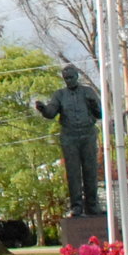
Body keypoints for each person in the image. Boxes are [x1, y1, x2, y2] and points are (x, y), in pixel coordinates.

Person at [32, 64, 105, 217]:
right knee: (73, 172)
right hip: (69, 137)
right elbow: (51, 113)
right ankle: (76, 207)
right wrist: (43, 109)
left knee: (90, 171)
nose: (69, 81)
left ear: (77, 76)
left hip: (88, 135)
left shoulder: (87, 91)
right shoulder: (60, 95)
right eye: (66, 79)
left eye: (71, 77)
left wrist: (93, 104)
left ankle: (92, 206)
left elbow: (99, 114)